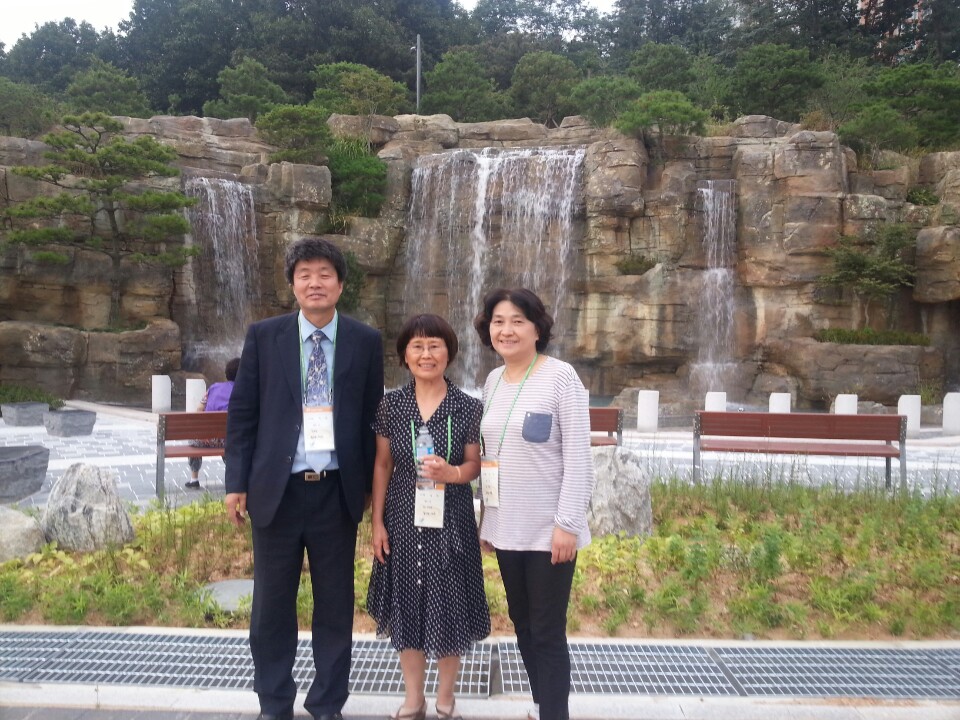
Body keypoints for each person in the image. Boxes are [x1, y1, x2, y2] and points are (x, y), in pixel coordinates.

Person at [224, 237, 384, 720]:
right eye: (305, 275)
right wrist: (236, 483)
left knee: (335, 605)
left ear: (340, 284)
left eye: (324, 274)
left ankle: (327, 703)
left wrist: (368, 491)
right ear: (292, 284)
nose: (315, 283)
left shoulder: (364, 340)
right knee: (271, 607)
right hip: (278, 493)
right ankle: (274, 703)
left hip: (336, 492)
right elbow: (243, 414)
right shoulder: (264, 336)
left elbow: (371, 417)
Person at [473, 288, 594, 720]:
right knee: (522, 623)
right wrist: (488, 522)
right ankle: (543, 704)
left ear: (537, 329)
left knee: (546, 630)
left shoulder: (561, 377)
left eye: (517, 321)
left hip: (549, 531)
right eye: (498, 321)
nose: (506, 330)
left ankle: (554, 714)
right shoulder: (492, 381)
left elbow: (579, 458)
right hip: (507, 528)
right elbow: (491, 456)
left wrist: (568, 524)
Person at [366, 314, 490, 720]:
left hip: (451, 518)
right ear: (404, 355)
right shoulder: (392, 405)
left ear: (448, 353)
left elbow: (474, 465)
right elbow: (383, 464)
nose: (426, 354)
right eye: (417, 346)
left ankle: (446, 697)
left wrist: (452, 473)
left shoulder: (467, 406)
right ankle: (414, 697)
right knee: (407, 603)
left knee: (450, 604)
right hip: (402, 516)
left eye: (435, 345)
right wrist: (377, 522)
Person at [186, 356, 240, 489]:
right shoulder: (244, 391)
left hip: (206, 439)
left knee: (194, 439)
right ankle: (234, 476)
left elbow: (199, 410)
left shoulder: (214, 388)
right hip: (230, 439)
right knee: (231, 441)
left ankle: (194, 479)